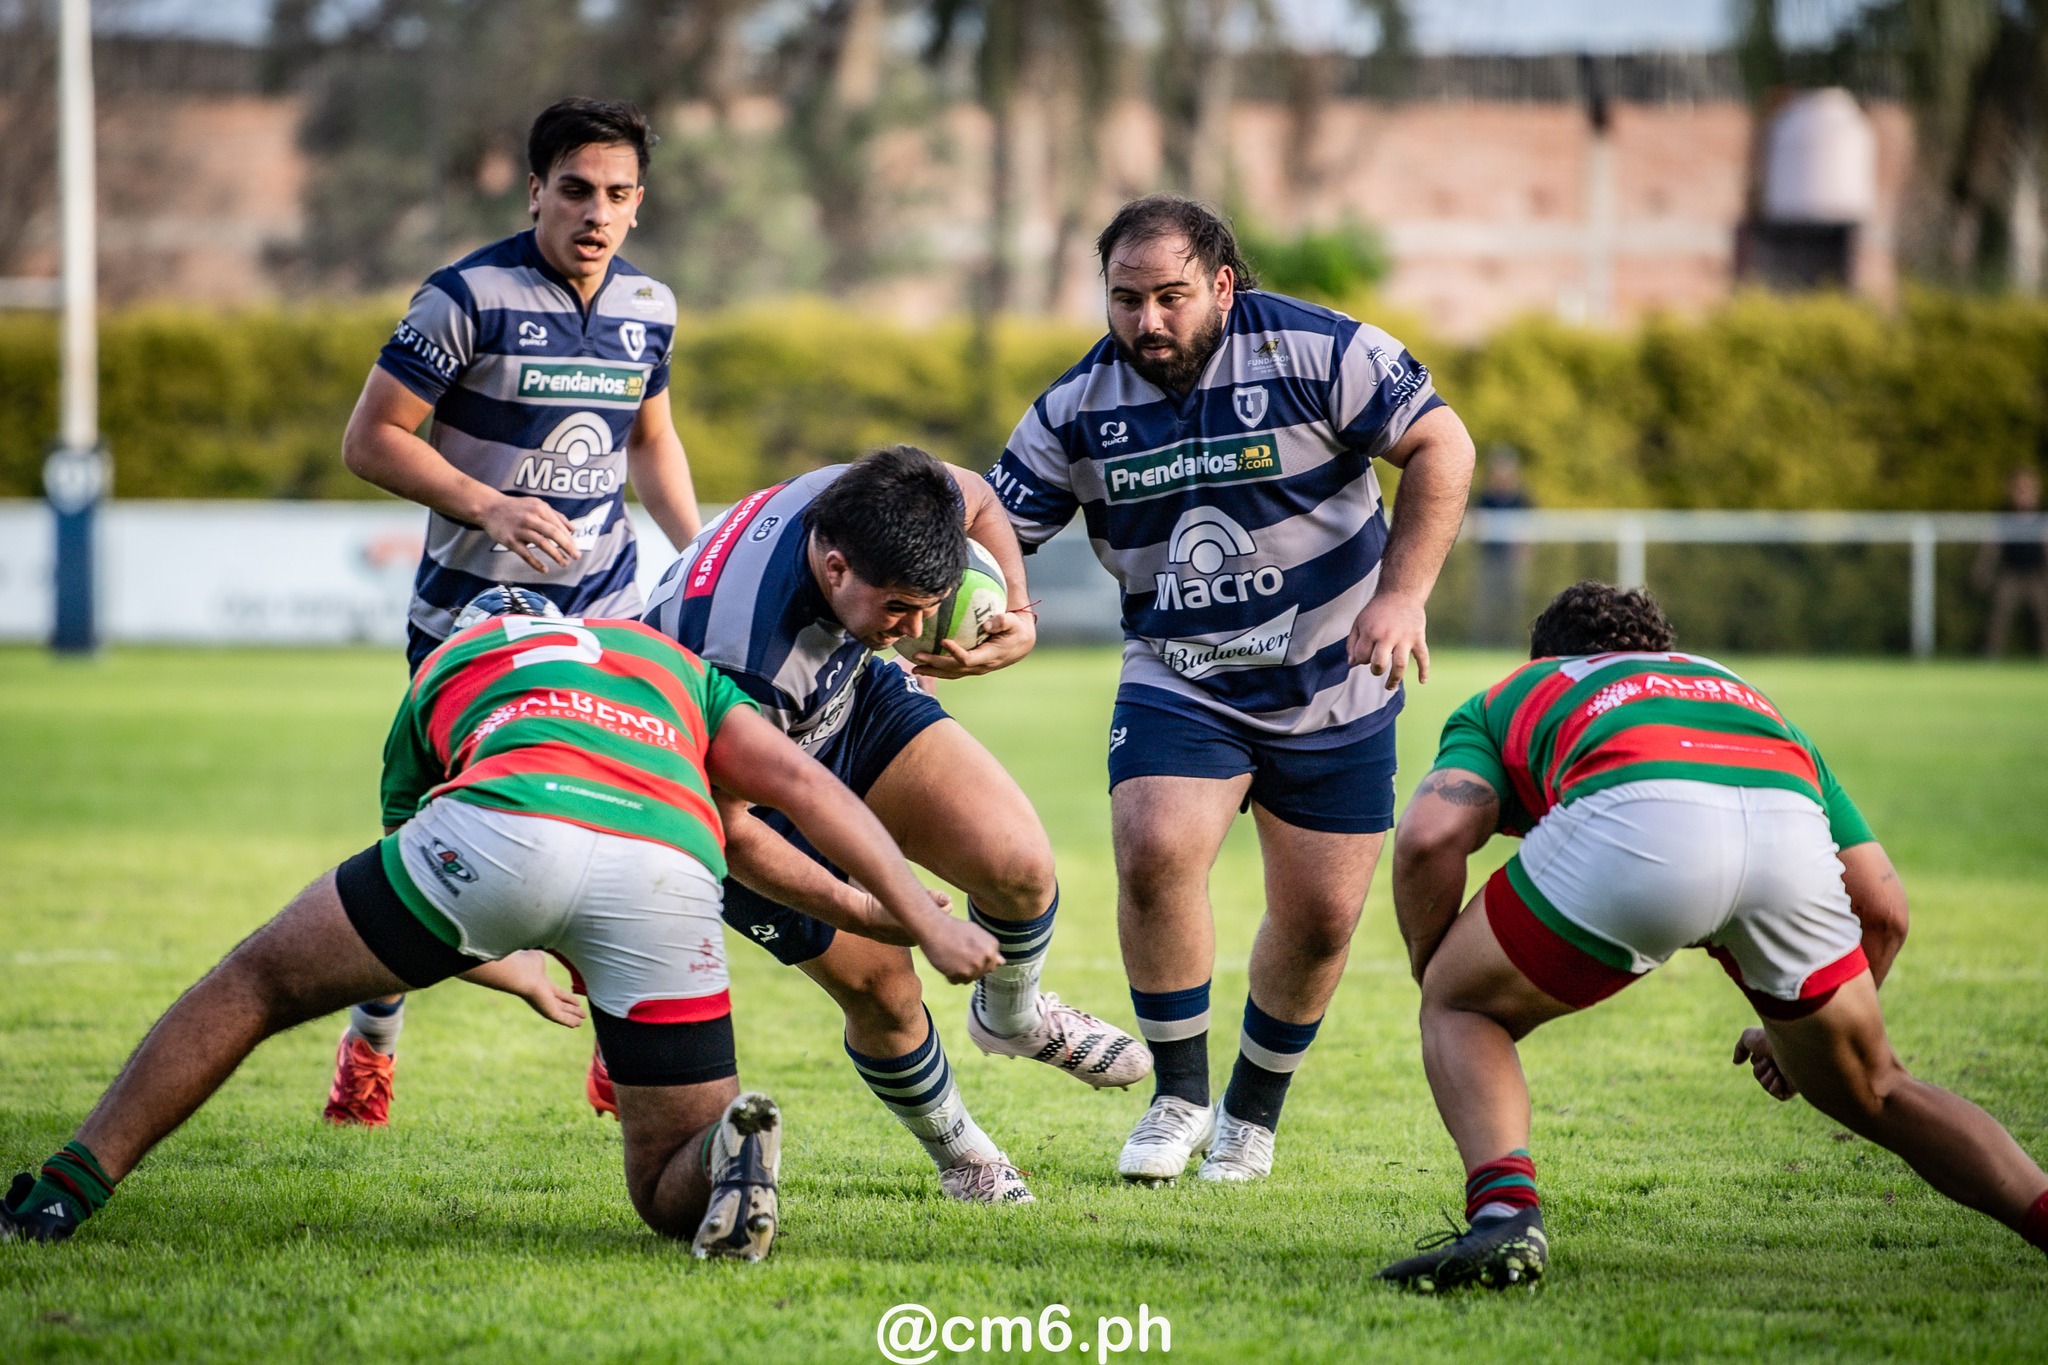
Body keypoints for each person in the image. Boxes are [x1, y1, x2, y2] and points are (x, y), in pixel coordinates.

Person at [0, 588, 999, 1254]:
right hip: (668, 873)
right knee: (660, 1187)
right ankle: (730, 1148)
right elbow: (786, 789)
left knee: (256, 984)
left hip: (504, 833)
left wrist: (514, 962)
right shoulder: (659, 657)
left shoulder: (446, 667)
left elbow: (421, 877)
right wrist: (903, 911)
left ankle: (63, 1194)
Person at [983, 195, 1476, 1184]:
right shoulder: (1076, 406)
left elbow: (1441, 444)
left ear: (1220, 283)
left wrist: (1402, 596)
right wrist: (988, 615)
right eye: (1124, 300)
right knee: (1156, 850)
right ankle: (1175, 1097)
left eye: (1169, 297)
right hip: (1180, 675)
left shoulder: (1316, 351)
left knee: (1321, 919)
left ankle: (1249, 1115)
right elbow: (989, 531)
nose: (1146, 322)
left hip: (1335, 679)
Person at [1378, 581, 2048, 1290]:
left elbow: (1429, 835)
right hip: (1786, 838)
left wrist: (1437, 970)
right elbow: (1885, 912)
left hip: (1635, 823)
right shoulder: (1746, 698)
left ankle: (1505, 1220)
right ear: (1663, 657)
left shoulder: (1524, 689)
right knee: (1879, 1087)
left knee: (1462, 1005)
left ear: (1547, 659)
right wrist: (1801, 1041)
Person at [640, 445, 1151, 1205]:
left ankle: (1010, 1017)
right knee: (882, 985)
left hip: (843, 701)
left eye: (928, 603)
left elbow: (974, 493)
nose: (916, 627)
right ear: (838, 568)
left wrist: (1017, 609)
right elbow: (732, 830)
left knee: (1016, 861)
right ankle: (963, 1155)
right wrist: (871, 911)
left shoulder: (865, 498)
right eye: (900, 608)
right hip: (721, 796)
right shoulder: (744, 657)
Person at [329, 97, 703, 1120]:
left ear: (639, 204)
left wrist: (698, 546)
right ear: (533, 187)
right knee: (436, 839)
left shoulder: (650, 306)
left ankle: (625, 1050)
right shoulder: (463, 298)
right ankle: (370, 1038)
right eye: (575, 190)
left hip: (609, 612)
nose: (596, 213)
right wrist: (486, 503)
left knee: (631, 824)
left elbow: (649, 439)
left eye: (618, 195)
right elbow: (371, 440)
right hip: (469, 623)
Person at [1977, 465, 2048, 658]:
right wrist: (1983, 570)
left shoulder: (2041, 518)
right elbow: (1993, 546)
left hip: (2036, 575)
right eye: (2019, 489)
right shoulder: (2005, 517)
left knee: (2044, 616)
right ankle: (1991, 656)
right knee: (1999, 615)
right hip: (2012, 574)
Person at [1471, 445, 1532, 649]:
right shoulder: (1484, 498)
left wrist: (1523, 553)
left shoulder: (1520, 499)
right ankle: (1484, 642)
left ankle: (1511, 642)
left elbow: (1528, 530)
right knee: (1487, 604)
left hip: (1511, 562)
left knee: (1512, 605)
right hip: (1490, 561)